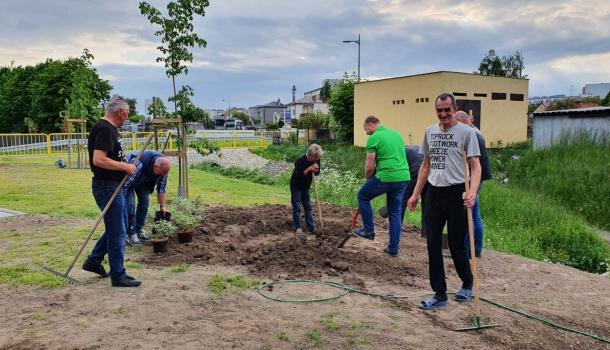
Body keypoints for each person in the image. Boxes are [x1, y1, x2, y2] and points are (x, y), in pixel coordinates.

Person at [407, 93, 481, 309]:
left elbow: (476, 167)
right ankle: (439, 293)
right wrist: (415, 194)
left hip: (458, 192)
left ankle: (467, 283)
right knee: (432, 244)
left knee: (457, 245)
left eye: (447, 110)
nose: (443, 114)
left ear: (454, 109)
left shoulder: (467, 133)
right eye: (439, 110)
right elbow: (425, 165)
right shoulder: (429, 132)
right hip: (434, 193)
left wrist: (473, 191)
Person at [81, 96, 141, 287]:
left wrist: (125, 165)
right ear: (119, 112)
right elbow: (98, 159)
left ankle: (94, 261)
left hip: (113, 185)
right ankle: (118, 275)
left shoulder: (111, 129)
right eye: (127, 113)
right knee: (118, 232)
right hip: (106, 186)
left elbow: (108, 158)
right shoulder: (105, 129)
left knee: (118, 226)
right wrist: (125, 168)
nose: (128, 117)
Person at [352, 116, 409, 257]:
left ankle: (368, 231)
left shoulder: (374, 137)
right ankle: (393, 248)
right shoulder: (396, 134)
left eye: (366, 130)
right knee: (395, 212)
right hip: (403, 177)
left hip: (387, 176)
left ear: (371, 125)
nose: (366, 133)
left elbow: (370, 165)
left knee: (363, 196)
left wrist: (368, 179)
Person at [454, 111, 492, 259]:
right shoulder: (475, 130)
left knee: (470, 214)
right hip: (477, 176)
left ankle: (469, 250)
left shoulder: (471, 134)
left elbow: (472, 160)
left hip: (473, 178)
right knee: (475, 214)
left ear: (462, 121)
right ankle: (475, 249)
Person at [123, 150, 172, 245]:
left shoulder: (163, 168)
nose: (162, 175)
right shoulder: (138, 163)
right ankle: (130, 234)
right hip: (127, 179)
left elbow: (161, 188)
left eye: (163, 174)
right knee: (130, 205)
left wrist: (163, 206)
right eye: (160, 173)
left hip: (143, 181)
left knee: (144, 204)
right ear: (155, 166)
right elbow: (125, 184)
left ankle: (138, 231)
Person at [290, 143, 323, 233]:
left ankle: (311, 228)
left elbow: (317, 172)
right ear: (311, 155)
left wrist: (316, 170)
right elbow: (299, 176)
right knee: (297, 206)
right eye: (316, 157)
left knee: (308, 206)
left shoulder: (316, 159)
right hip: (296, 186)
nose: (317, 159)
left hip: (306, 186)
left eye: (318, 158)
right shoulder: (300, 161)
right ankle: (297, 227)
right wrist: (309, 169)